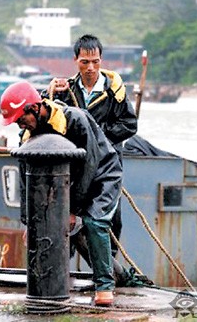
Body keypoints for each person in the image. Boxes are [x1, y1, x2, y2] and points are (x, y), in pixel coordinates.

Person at [0, 80, 121, 306]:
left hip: (102, 174)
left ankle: (105, 286)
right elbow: (26, 179)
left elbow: (90, 166)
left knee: (94, 222)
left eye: (21, 120)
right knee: (49, 224)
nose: (20, 126)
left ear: (34, 108)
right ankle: (56, 280)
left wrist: (72, 210)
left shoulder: (76, 120)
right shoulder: (28, 136)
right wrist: (28, 221)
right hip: (71, 179)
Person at [42, 34, 138, 257]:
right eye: (85, 62)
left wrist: (98, 137)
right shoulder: (67, 90)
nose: (91, 68)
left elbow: (129, 124)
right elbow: (46, 115)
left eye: (95, 61)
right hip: (76, 167)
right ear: (76, 60)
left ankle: (108, 276)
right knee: (66, 215)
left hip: (106, 166)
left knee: (108, 219)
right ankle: (62, 275)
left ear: (101, 60)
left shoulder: (114, 91)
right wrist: (49, 92)